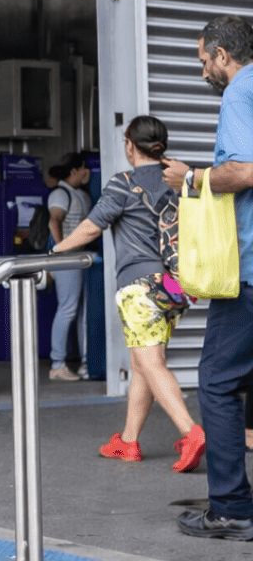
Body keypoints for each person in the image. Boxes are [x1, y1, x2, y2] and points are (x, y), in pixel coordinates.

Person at [52, 116, 205, 471]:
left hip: (140, 288)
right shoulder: (178, 181)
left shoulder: (124, 183)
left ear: (130, 145)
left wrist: (56, 250)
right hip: (173, 287)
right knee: (142, 365)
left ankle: (191, 432)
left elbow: (91, 227)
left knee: (151, 363)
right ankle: (128, 441)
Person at [162, 15, 253, 540]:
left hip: (250, 274)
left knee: (217, 383)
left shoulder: (240, 92)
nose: (202, 73)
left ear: (222, 55)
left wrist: (191, 177)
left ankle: (232, 509)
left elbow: (242, 170)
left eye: (203, 61)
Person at [47, 153, 92, 381]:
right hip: (67, 259)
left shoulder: (81, 194)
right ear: (74, 171)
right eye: (84, 168)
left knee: (83, 312)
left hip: (81, 258)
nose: (88, 172)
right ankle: (57, 364)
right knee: (67, 309)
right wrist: (61, 250)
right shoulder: (60, 193)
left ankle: (86, 362)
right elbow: (54, 220)